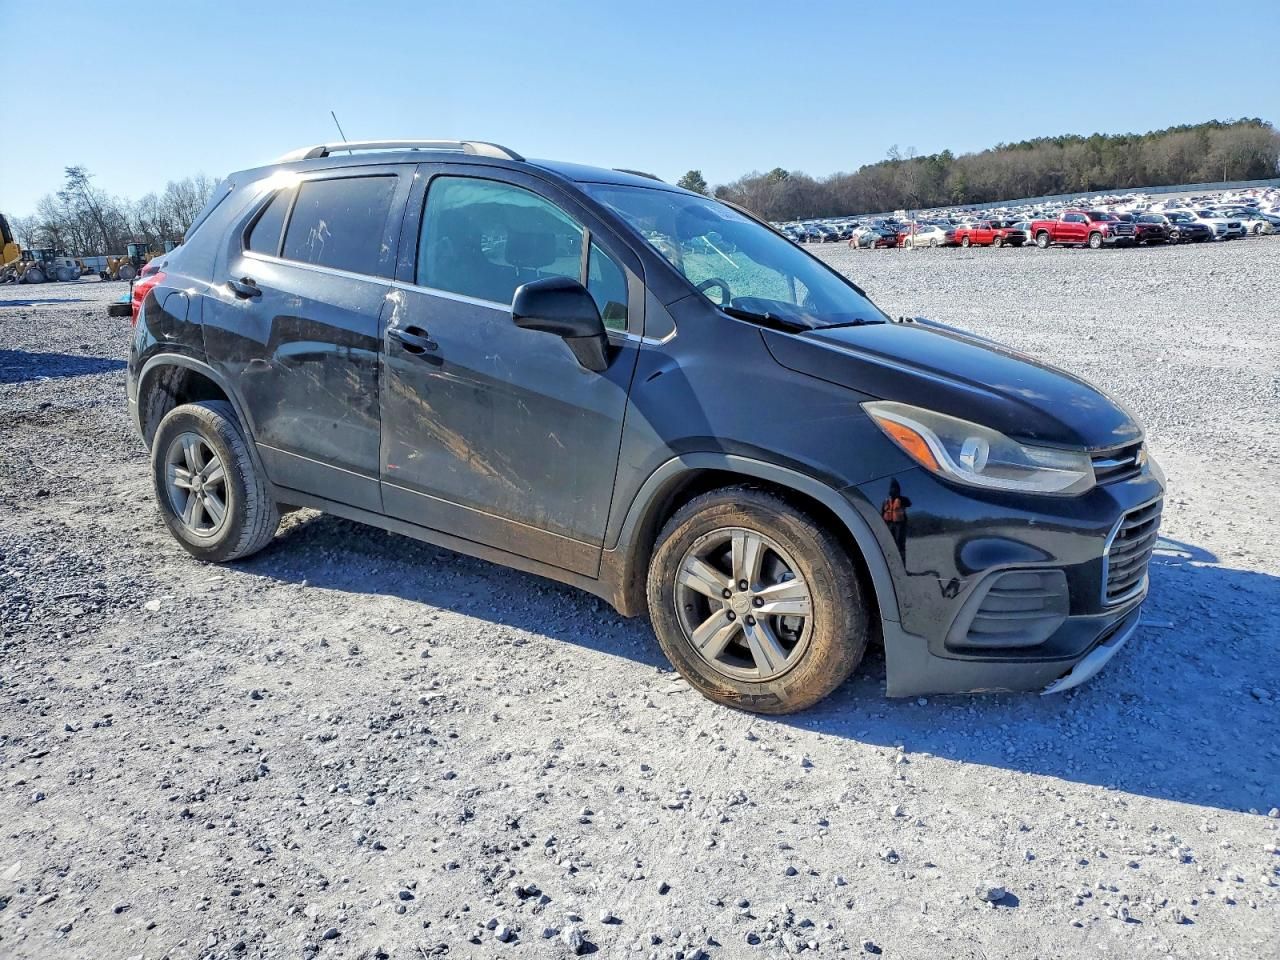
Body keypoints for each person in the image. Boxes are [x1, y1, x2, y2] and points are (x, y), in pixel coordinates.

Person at [880, 478, 912, 562]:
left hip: (900, 525)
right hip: (889, 524)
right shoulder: (886, 501)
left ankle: (902, 564)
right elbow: (882, 513)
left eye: (895, 488)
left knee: (900, 544)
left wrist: (900, 498)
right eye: (892, 488)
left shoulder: (902, 499)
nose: (893, 490)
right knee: (890, 544)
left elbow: (909, 503)